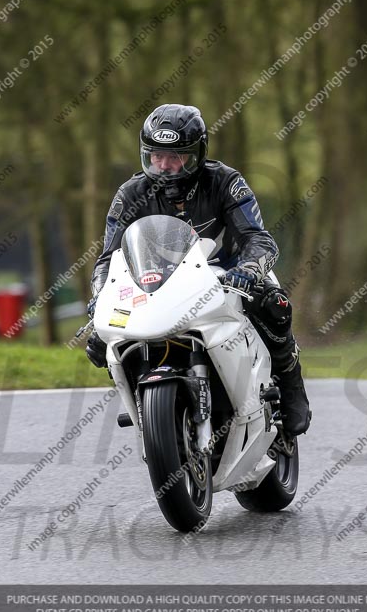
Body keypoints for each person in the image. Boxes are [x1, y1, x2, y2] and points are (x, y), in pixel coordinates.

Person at [86, 103, 311, 436]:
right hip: (158, 284)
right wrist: (100, 298)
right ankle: (145, 409)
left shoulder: (225, 182)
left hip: (227, 275)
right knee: (100, 341)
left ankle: (292, 387)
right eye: (156, 156)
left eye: (176, 157)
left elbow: (260, 240)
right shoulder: (130, 195)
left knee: (274, 305)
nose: (164, 166)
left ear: (197, 154)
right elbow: (108, 258)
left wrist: (248, 270)